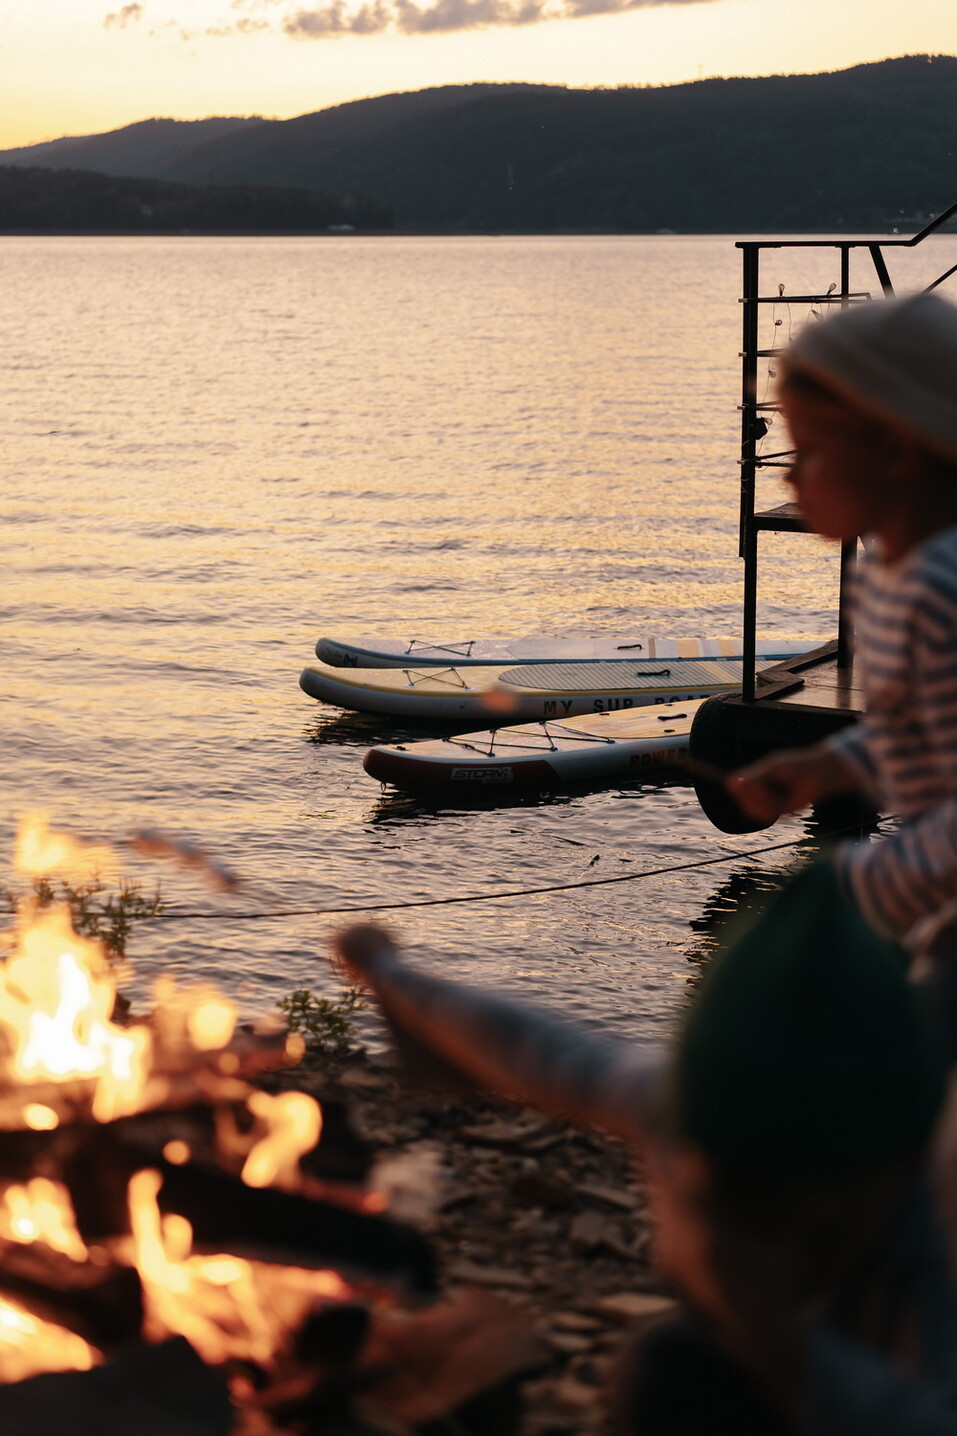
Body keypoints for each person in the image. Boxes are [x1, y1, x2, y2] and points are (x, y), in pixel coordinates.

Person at [331, 861, 957, 1435]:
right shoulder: (691, 1123)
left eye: (802, 1209)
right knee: (669, 1367)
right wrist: (387, 975)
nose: (764, 1231)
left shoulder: (933, 1228)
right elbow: (539, 1054)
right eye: (735, 1198)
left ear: (895, 1165)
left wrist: (775, 1338)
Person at [730, 291, 957, 1061]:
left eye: (807, 452)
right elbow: (905, 729)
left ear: (895, 450)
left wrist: (859, 886)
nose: (788, 476)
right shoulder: (884, 579)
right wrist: (822, 766)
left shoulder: (939, 591)